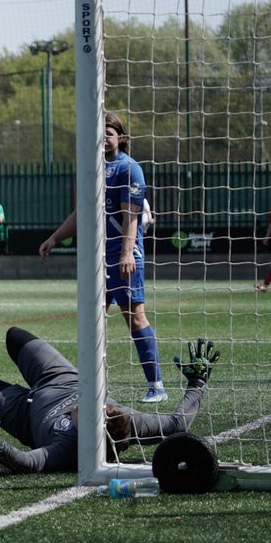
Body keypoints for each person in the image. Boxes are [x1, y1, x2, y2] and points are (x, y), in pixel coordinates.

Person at [0, 324, 217, 474]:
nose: (87, 404)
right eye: (101, 405)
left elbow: (27, 463)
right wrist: (197, 382)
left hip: (22, 415)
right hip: (60, 378)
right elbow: (178, 424)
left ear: (89, 435)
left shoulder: (66, 451)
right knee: (15, 336)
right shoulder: (128, 420)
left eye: (88, 412)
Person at [40, 111, 167, 403]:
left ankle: (157, 385)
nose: (103, 141)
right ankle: (92, 387)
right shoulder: (91, 169)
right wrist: (55, 238)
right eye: (99, 136)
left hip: (124, 256)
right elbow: (80, 212)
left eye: (108, 135)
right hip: (96, 260)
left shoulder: (129, 168)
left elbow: (131, 215)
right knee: (91, 321)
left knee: (134, 319)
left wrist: (125, 253)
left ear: (120, 138)